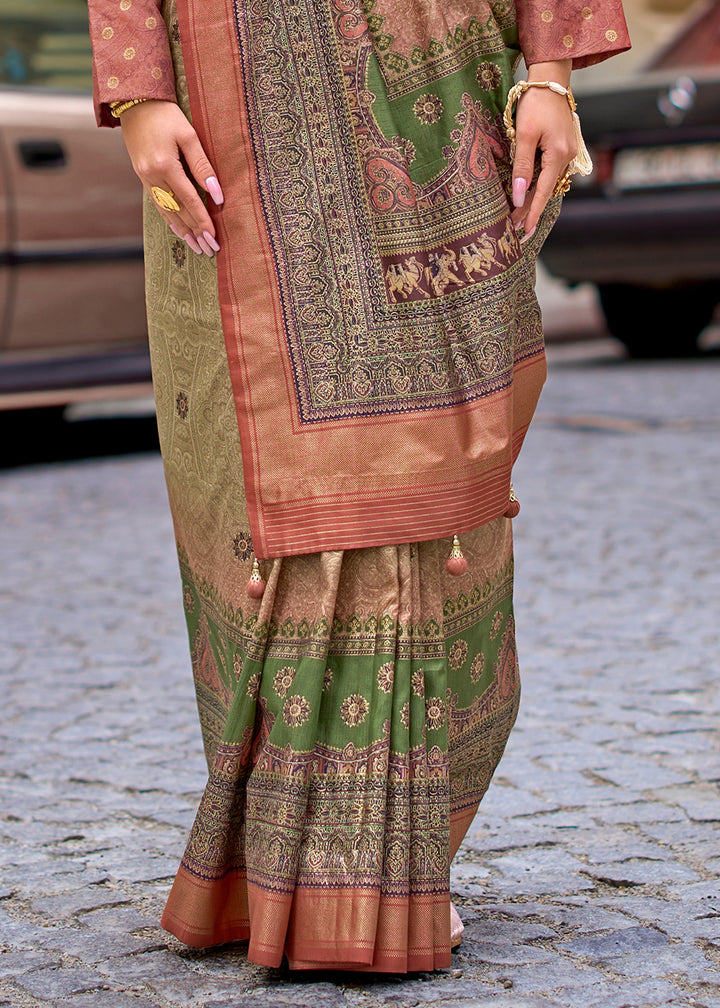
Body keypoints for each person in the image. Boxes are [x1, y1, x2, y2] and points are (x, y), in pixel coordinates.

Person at [89, 0, 629, 972]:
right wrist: (137, 89)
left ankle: (394, 860)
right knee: (278, 487)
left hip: (436, 94)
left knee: (432, 471)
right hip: (242, 121)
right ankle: (308, 875)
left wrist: (551, 69)